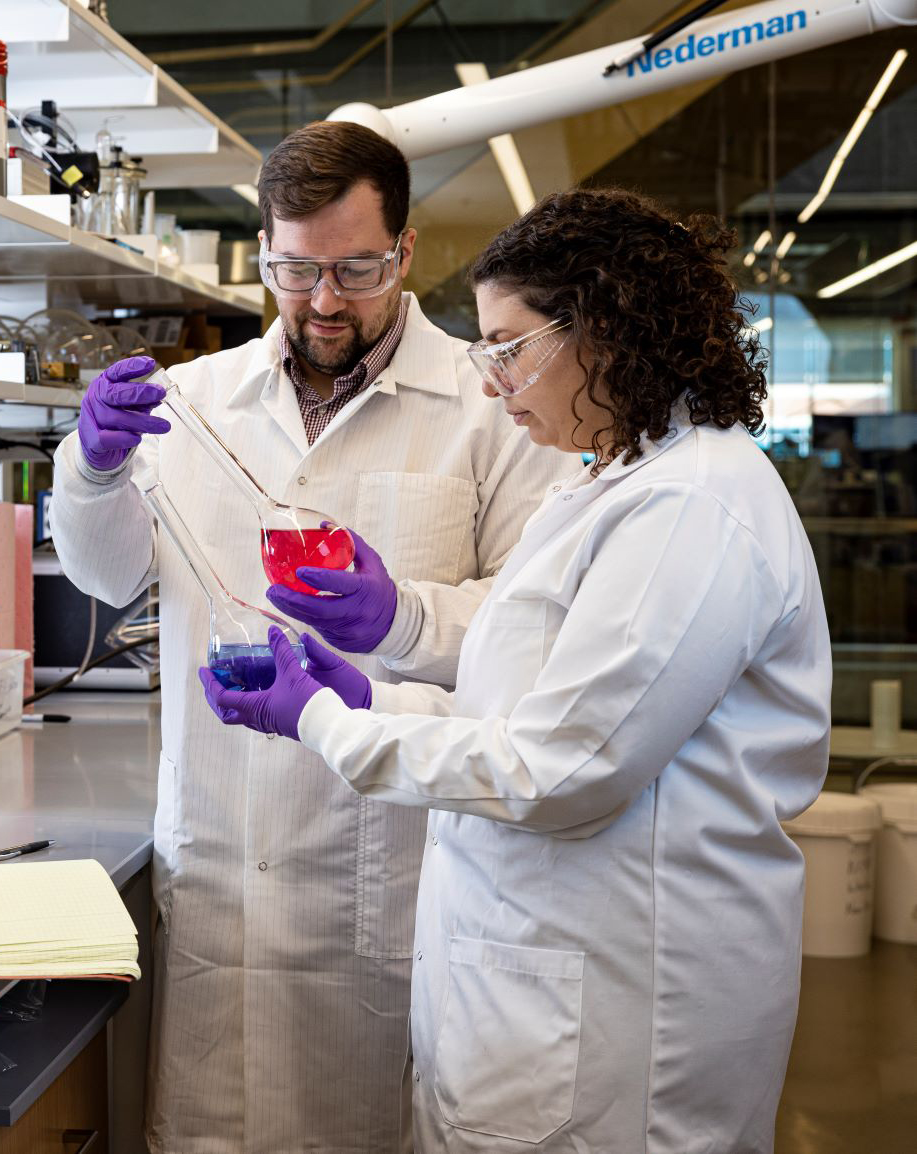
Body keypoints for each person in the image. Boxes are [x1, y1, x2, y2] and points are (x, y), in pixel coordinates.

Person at [201, 188, 831, 1151]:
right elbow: (524, 698)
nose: (491, 384)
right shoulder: (607, 481)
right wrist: (367, 687)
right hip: (535, 984)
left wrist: (323, 725)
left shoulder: (691, 506)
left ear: (606, 331)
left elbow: (561, 770)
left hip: (623, 1008)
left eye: (507, 347)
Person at [50, 121, 566, 1153]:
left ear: (406, 253)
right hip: (226, 856)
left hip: (390, 860)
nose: (324, 300)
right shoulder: (198, 402)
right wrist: (94, 466)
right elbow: (107, 574)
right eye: (295, 269)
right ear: (266, 250)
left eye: (355, 269)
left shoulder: (491, 401)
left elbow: (534, 626)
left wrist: (400, 618)